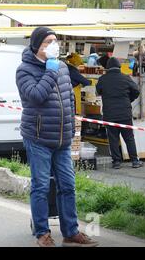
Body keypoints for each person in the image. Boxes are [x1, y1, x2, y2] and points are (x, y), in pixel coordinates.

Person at [16, 26, 98, 247]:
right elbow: (36, 97)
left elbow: (69, 99)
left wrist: (71, 128)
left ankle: (70, 232)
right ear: (36, 46)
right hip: (38, 137)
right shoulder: (25, 70)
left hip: (62, 138)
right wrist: (49, 72)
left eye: (55, 41)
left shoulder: (62, 67)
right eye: (48, 42)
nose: (54, 45)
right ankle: (42, 233)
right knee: (41, 186)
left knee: (68, 186)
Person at [96, 57, 142, 169]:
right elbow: (136, 91)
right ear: (119, 67)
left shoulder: (103, 79)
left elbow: (98, 91)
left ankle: (116, 162)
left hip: (109, 114)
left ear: (107, 68)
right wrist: (128, 100)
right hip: (124, 113)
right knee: (129, 137)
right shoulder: (125, 78)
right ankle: (135, 161)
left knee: (113, 138)